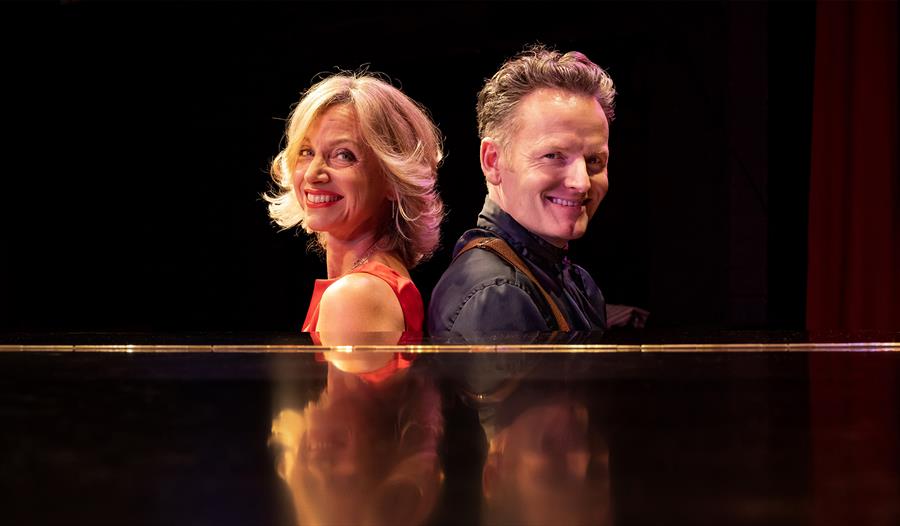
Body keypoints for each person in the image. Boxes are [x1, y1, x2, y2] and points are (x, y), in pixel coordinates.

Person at [428, 45, 616, 336]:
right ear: (492, 161)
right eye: (553, 156)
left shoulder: (574, 281)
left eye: (594, 161)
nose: (582, 183)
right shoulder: (496, 294)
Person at [265, 72, 443, 348]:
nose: (313, 173)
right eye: (306, 151)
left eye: (343, 155)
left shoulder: (355, 295)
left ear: (393, 179)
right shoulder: (375, 279)